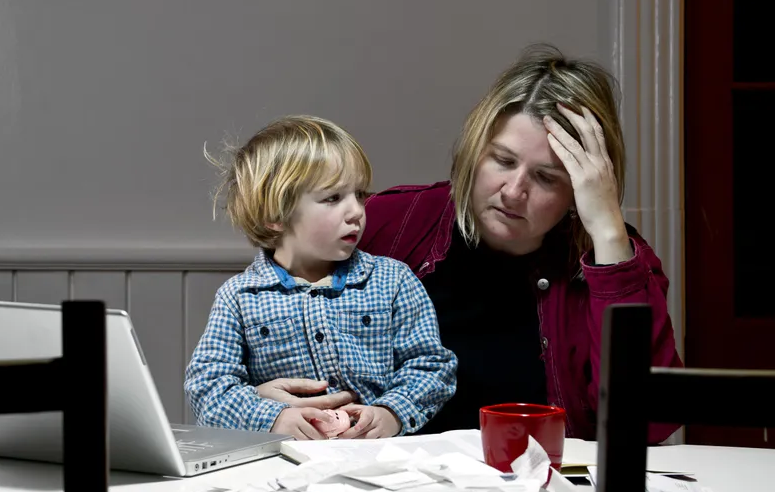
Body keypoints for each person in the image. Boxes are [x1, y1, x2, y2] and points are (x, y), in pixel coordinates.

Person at [355, 44, 681, 444]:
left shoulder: (618, 258)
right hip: (390, 484)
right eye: (503, 161)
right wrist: (258, 393)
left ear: (581, 188)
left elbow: (650, 423)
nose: (513, 192)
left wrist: (610, 235)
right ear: (475, 150)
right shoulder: (391, 222)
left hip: (548, 491)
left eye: (546, 177)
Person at [184, 115, 458, 441]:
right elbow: (208, 387)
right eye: (333, 198)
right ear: (275, 214)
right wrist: (273, 419)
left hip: (380, 460)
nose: (357, 211)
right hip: (281, 464)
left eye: (359, 194)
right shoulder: (240, 297)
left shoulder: (392, 281)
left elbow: (432, 366)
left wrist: (391, 413)